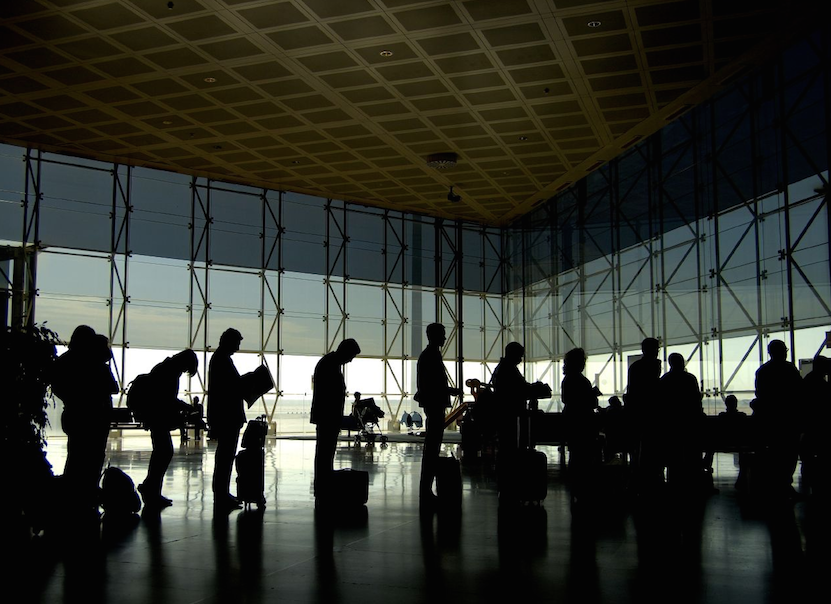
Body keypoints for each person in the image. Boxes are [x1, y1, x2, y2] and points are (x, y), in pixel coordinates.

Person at [53, 326, 119, 515]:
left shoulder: (64, 361)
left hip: (74, 415)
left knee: (76, 456)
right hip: (95, 417)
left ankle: (73, 496)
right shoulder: (94, 363)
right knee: (93, 457)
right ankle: (87, 493)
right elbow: (112, 387)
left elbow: (58, 387)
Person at [138, 349, 198, 509]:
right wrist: (185, 407)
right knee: (163, 452)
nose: (184, 372)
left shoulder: (165, 368)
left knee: (162, 452)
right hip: (158, 418)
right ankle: (151, 489)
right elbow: (166, 399)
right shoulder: (169, 372)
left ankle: (151, 488)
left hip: (155, 417)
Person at [415, 323, 461, 506]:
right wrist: (449, 391)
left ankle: (426, 489)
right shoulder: (431, 356)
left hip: (433, 404)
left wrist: (448, 391)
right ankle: (426, 490)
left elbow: (430, 384)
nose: (444, 337)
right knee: (432, 448)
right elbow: (433, 385)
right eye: (442, 334)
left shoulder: (429, 355)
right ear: (434, 336)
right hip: (435, 404)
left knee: (432, 448)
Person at [310, 338, 361, 502]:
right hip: (328, 417)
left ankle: (323, 485)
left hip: (327, 416)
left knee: (324, 453)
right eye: (351, 356)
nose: (351, 360)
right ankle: (323, 486)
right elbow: (330, 395)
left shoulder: (329, 363)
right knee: (325, 452)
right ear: (345, 352)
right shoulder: (330, 365)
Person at [754, 339, 803, 497]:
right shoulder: (790, 369)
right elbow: (799, 392)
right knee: (789, 454)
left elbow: (761, 394)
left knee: (775, 454)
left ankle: (775, 485)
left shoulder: (763, 371)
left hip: (771, 420)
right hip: (788, 419)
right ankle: (785, 483)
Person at [208, 329, 245, 511]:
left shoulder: (219, 359)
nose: (238, 347)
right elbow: (228, 388)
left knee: (225, 456)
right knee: (225, 457)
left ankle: (222, 492)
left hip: (225, 415)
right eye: (237, 342)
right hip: (228, 416)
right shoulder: (222, 360)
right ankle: (221, 494)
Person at [658, 353, 704, 492]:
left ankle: (674, 483)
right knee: (690, 453)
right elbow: (696, 400)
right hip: (688, 421)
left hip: (671, 423)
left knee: (673, 455)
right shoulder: (690, 379)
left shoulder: (665, 379)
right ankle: (691, 482)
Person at [561, 348, 601, 502]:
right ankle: (582, 486)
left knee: (576, 454)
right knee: (583, 455)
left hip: (572, 420)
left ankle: (576, 486)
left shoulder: (568, 379)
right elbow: (588, 402)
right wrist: (591, 395)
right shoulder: (581, 380)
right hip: (583, 421)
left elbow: (567, 399)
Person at [625, 337, 662, 490]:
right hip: (650, 411)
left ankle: (637, 473)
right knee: (650, 444)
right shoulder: (653, 366)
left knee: (638, 444)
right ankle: (650, 474)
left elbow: (633, 390)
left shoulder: (636, 367)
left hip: (638, 410)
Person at [491, 342, 537, 455]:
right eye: (519, 356)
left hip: (504, 410)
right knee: (510, 441)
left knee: (506, 442)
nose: (520, 359)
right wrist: (534, 388)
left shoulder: (502, 368)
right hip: (510, 411)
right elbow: (520, 388)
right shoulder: (509, 369)